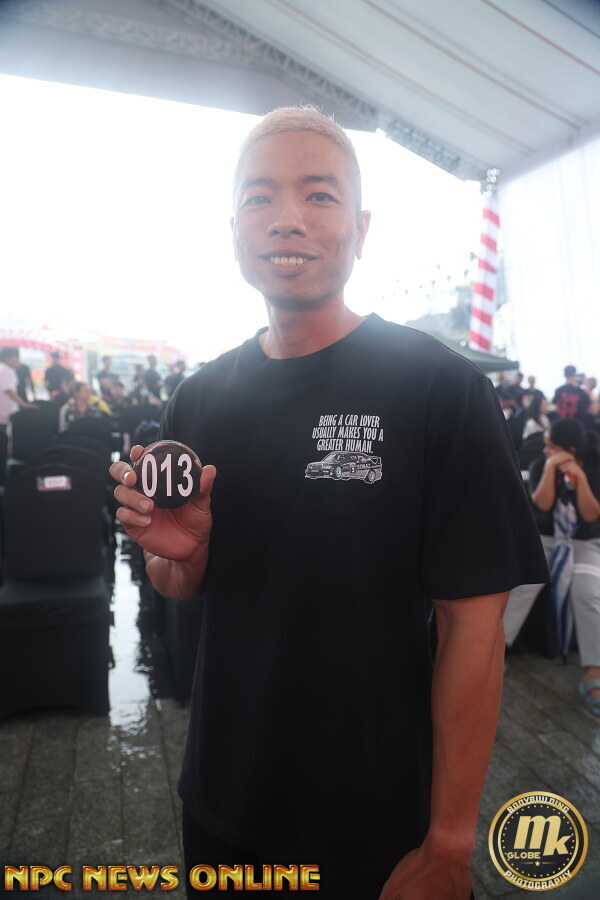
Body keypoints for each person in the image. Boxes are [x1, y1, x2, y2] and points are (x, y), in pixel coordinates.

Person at [111, 107, 548, 900]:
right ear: (234, 231)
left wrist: (449, 844)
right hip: (222, 802)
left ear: (361, 227)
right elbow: (179, 585)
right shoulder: (199, 399)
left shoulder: (440, 390)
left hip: (376, 823)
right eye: (259, 197)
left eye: (319, 194)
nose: (288, 219)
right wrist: (182, 557)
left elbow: (474, 632)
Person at [504, 418, 600, 715]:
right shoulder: (540, 465)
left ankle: (594, 670)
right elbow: (542, 505)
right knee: (525, 584)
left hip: (584, 543)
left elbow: (591, 515)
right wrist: (550, 469)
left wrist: (580, 477)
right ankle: (496, 649)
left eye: (551, 446)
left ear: (571, 449)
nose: (546, 450)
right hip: (545, 539)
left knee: (587, 591)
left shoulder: (594, 468)